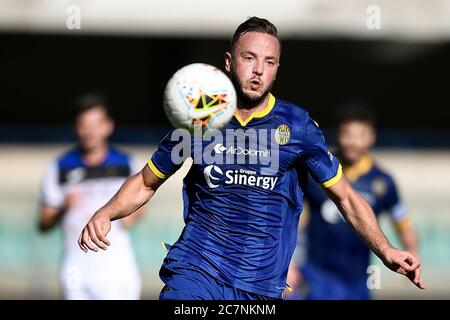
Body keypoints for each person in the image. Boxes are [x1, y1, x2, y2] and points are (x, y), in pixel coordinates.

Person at [78, 17, 425, 300]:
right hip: (198, 269)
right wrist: (106, 212)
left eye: (269, 62)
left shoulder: (298, 126)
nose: (258, 70)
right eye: (249, 58)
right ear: (229, 62)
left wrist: (385, 249)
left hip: (259, 283)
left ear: (277, 69)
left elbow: (346, 198)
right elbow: (145, 181)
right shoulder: (200, 116)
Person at [285, 105, 419, 300]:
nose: (353, 142)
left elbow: (403, 223)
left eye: (360, 135)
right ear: (338, 135)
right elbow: (292, 219)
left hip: (358, 281)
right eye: (347, 134)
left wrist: (413, 253)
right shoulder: (317, 172)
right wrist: (289, 263)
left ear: (371, 137)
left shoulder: (383, 182)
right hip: (317, 275)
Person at [38, 94, 143, 299]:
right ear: (76, 128)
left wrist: (124, 212)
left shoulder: (126, 164)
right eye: (84, 125)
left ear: (108, 126)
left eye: (96, 124)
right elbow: (43, 224)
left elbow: (138, 210)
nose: (90, 131)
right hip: (76, 273)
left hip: (118, 273)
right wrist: (63, 207)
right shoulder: (59, 167)